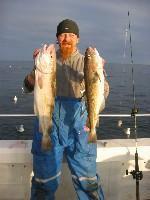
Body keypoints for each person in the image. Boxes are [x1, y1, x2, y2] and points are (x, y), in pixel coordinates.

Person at [24, 19, 109, 200]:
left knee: (88, 182)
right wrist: (35, 71)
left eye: (71, 35)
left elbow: (103, 92)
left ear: (77, 39)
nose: (67, 38)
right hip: (49, 124)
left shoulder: (85, 61)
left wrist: (100, 72)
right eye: (63, 34)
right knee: (43, 182)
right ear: (57, 38)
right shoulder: (48, 58)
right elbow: (28, 86)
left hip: (79, 130)